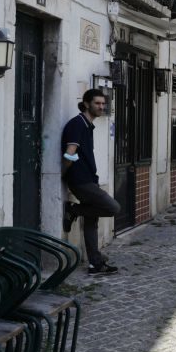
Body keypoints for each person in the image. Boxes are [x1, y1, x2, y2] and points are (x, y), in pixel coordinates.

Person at [61, 88, 120, 275]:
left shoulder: (88, 125)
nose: (101, 107)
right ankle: (73, 210)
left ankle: (95, 263)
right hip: (81, 181)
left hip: (88, 179)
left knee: (91, 221)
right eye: (97, 103)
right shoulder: (77, 124)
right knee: (113, 208)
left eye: (103, 104)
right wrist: (64, 174)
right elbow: (70, 152)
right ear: (86, 104)